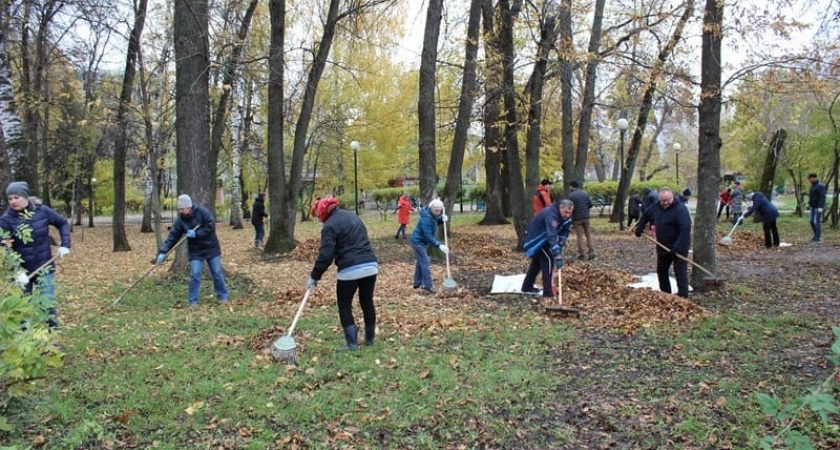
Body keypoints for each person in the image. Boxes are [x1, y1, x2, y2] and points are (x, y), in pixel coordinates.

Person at [308, 197, 379, 350]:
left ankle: (352, 343)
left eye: (318, 215)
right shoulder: (353, 216)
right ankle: (370, 339)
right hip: (370, 265)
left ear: (322, 212)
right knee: (367, 302)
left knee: (344, 304)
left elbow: (326, 255)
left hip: (350, 269)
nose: (319, 219)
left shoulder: (329, 226)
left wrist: (314, 276)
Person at [0, 181, 71, 329]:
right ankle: (24, 340)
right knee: (21, 310)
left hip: (44, 267)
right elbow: (4, 248)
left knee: (47, 305)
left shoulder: (42, 211)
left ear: (25, 196)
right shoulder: (6, 220)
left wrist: (65, 244)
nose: (13, 201)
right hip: (21, 273)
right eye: (10, 198)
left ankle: (51, 336)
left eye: (16, 197)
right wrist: (17, 271)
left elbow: (62, 223)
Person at [156, 194, 230, 307]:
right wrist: (163, 252)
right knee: (195, 274)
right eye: (179, 209)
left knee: (217, 272)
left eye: (182, 209)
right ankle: (193, 301)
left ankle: (223, 296)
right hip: (196, 251)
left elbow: (210, 226)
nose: (180, 211)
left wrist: (197, 233)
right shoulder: (181, 220)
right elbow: (173, 236)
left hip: (211, 248)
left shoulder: (203, 212)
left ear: (189, 207)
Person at [633, 187, 692, 298]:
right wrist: (640, 226)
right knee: (662, 271)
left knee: (680, 272)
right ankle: (666, 295)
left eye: (667, 200)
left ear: (672, 197)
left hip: (679, 246)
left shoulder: (680, 209)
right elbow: (646, 214)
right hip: (663, 246)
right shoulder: (656, 207)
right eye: (663, 201)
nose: (665, 203)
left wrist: (677, 247)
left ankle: (683, 297)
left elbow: (685, 229)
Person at [521, 200, 574, 297]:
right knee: (548, 260)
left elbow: (565, 230)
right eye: (566, 212)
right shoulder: (551, 215)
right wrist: (557, 253)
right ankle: (548, 292)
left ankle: (527, 286)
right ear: (561, 208)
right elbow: (551, 235)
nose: (567, 215)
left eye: (570, 213)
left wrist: (561, 242)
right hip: (535, 240)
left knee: (537, 263)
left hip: (544, 239)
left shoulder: (565, 217)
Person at [410, 198, 449, 294]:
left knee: (421, 262)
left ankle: (417, 282)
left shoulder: (431, 214)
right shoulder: (426, 218)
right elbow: (427, 235)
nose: (438, 212)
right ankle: (428, 285)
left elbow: (434, 221)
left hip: (422, 242)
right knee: (425, 261)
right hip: (418, 241)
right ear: (431, 208)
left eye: (439, 211)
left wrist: (441, 219)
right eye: (436, 210)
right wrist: (439, 245)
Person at [567, 180, 595, 260]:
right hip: (586, 217)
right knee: (588, 235)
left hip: (577, 219)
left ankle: (582, 253)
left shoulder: (571, 196)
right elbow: (590, 205)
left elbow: (569, 208)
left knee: (579, 236)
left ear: (571, 186)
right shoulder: (585, 194)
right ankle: (591, 252)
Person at [807, 173, 826, 243]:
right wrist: (809, 204)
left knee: (817, 222)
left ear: (815, 178)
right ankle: (816, 235)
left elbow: (822, 196)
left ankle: (818, 237)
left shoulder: (820, 186)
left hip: (818, 207)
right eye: (810, 178)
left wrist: (821, 206)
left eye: (812, 178)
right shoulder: (812, 186)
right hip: (813, 206)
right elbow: (812, 196)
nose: (811, 180)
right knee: (811, 221)